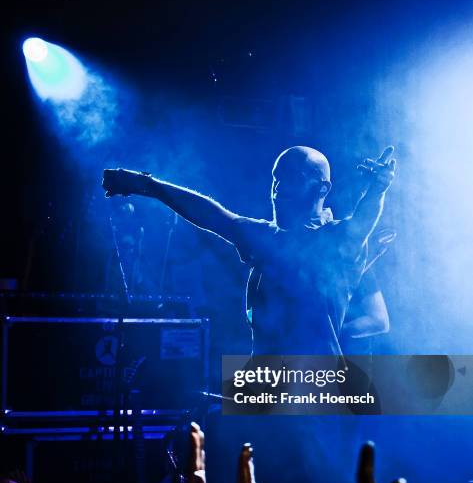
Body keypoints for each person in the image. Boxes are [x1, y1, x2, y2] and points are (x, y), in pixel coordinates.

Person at [102, 145, 396, 355]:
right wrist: (146, 185)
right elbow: (212, 214)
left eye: (291, 177)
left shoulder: (333, 242)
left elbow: (363, 220)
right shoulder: (266, 238)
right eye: (276, 178)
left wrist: (377, 189)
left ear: (322, 189)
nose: (277, 187)